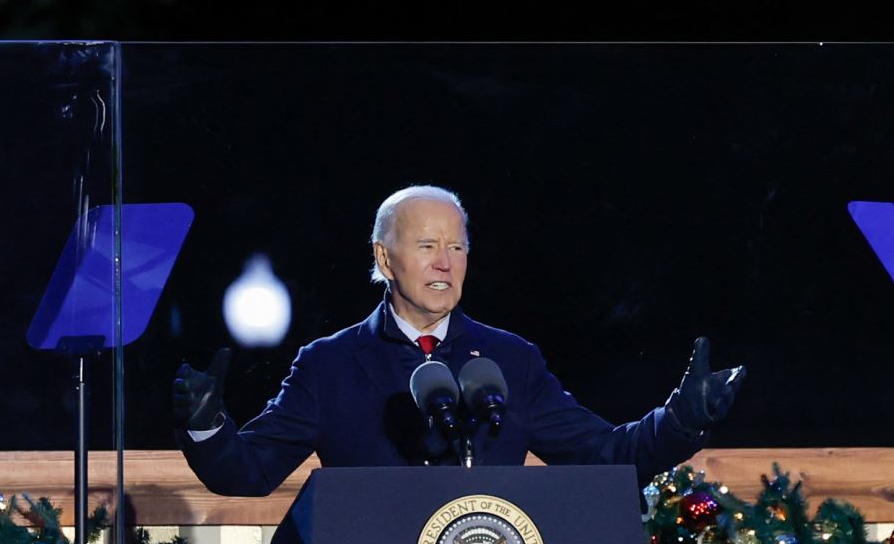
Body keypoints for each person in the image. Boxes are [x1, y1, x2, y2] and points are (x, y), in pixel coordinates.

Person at [174, 185, 744, 496]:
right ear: (384, 258)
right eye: (426, 246)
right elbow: (247, 472)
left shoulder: (511, 361)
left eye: (458, 247)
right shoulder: (329, 365)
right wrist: (206, 422)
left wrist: (681, 421)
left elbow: (607, 455)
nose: (446, 262)